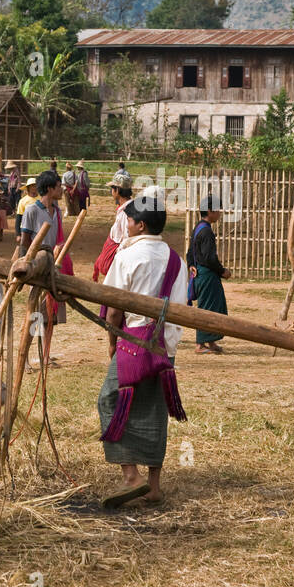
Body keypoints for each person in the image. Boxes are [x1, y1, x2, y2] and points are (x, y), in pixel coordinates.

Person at [96, 187, 188, 508]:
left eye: (131, 220)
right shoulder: (177, 260)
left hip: (133, 345)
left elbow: (112, 306)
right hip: (166, 347)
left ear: (141, 227)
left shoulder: (127, 256)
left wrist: (111, 342)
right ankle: (153, 485)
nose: (128, 224)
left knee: (109, 400)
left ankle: (131, 476)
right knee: (154, 409)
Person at [20, 169, 72, 330]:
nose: (61, 190)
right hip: (38, 266)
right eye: (58, 186)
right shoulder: (31, 210)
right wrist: (26, 266)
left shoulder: (57, 211)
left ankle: (46, 355)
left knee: (51, 316)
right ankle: (36, 351)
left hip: (54, 266)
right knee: (37, 314)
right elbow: (24, 241)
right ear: (49, 189)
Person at [188, 195, 230, 354]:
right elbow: (209, 258)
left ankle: (211, 342)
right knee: (206, 308)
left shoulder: (199, 228)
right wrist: (223, 271)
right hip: (206, 275)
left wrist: (191, 264)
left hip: (203, 274)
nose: (219, 213)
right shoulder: (205, 232)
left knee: (215, 307)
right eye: (218, 210)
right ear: (210, 211)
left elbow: (189, 252)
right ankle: (200, 344)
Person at [94, 173, 133, 280]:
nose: (111, 192)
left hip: (120, 262)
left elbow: (127, 238)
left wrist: (118, 258)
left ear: (117, 190)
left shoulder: (126, 213)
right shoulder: (127, 208)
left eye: (112, 188)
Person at [14, 176, 38, 250]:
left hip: (38, 228)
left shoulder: (41, 199)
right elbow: (19, 218)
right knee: (25, 249)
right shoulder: (23, 201)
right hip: (25, 228)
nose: (34, 188)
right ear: (28, 188)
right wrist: (18, 234)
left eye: (35, 186)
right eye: (32, 186)